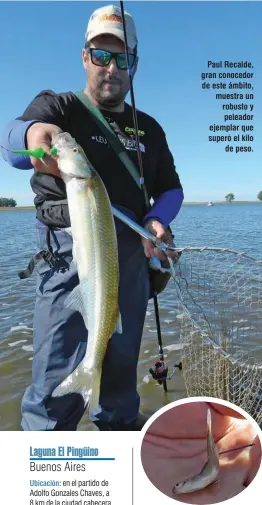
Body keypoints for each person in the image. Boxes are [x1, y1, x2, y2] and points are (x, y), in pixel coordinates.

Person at [0, 4, 184, 431]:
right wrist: (33, 136)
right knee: (53, 384)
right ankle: (48, 469)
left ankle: (118, 442)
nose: (111, 68)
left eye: (123, 59)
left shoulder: (150, 129)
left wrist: (156, 220)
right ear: (85, 56)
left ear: (134, 65)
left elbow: (171, 189)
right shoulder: (60, 108)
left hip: (133, 261)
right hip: (68, 258)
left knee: (120, 381)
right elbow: (12, 144)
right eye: (101, 55)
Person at [140, 401, 261, 504]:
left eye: (178, 485)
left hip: (212, 468)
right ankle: (209, 431)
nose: (177, 487)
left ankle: (209, 429)